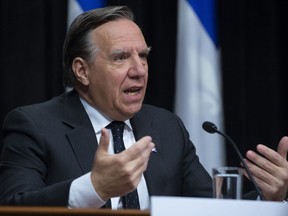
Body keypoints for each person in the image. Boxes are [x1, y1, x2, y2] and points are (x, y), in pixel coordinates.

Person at [0, 6, 287, 209]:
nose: (140, 70)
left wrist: (269, 199)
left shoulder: (166, 126)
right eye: (121, 57)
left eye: (144, 56)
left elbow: (206, 208)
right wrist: (95, 188)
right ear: (82, 71)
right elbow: (13, 205)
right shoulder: (33, 125)